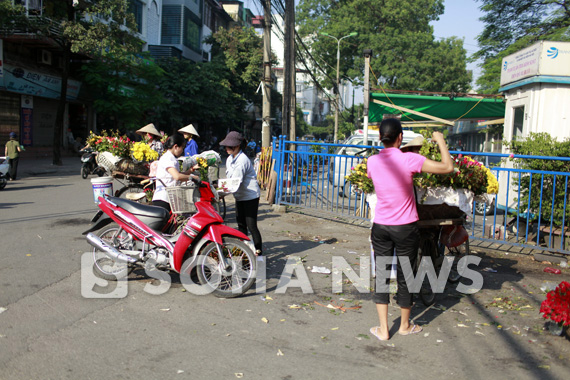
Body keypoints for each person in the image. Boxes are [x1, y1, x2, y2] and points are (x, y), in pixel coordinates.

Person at [367, 119, 453, 341]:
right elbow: (447, 167)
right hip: (405, 228)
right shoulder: (409, 159)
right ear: (400, 137)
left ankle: (384, 329)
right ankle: (404, 326)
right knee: (406, 276)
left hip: (381, 227)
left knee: (382, 276)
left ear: (380, 138)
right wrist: (441, 141)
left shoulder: (372, 162)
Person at [220, 131, 263, 256]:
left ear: (237, 146)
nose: (227, 148)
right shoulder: (229, 159)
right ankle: (244, 251)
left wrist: (221, 193)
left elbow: (235, 183)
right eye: (226, 146)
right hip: (239, 195)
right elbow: (229, 180)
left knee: (251, 225)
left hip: (250, 196)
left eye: (229, 146)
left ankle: (259, 252)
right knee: (241, 224)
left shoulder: (242, 160)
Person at [151, 133, 198, 212]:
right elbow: (177, 176)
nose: (182, 150)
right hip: (163, 199)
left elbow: (178, 175)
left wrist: (191, 170)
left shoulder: (171, 157)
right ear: (176, 146)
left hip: (169, 197)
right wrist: (193, 177)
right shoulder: (168, 158)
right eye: (182, 147)